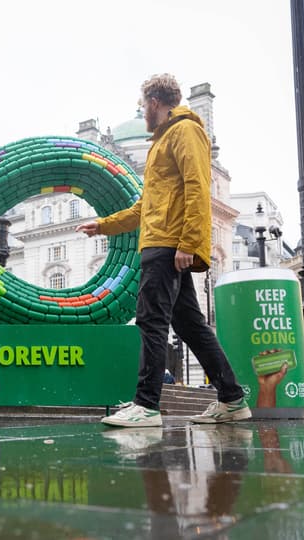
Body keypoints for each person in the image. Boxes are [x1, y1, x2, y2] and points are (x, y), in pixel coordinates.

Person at [77, 73, 251, 428]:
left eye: (144, 107)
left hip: (167, 245)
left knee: (151, 321)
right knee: (190, 325)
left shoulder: (185, 131)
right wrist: (104, 225)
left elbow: (197, 188)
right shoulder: (163, 140)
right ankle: (232, 399)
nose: (143, 114)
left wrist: (189, 243)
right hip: (162, 242)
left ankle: (146, 405)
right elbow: (145, 206)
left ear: (154, 103)